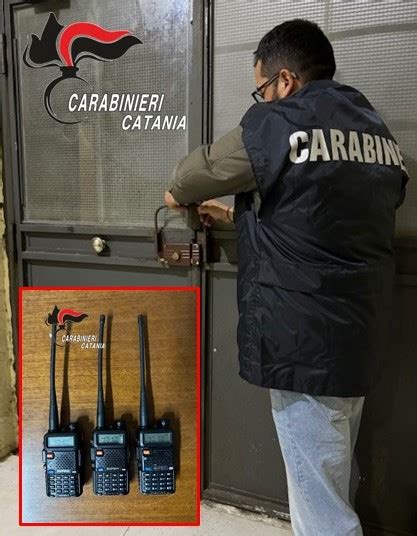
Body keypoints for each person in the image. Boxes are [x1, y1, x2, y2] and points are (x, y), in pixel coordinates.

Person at [164, 19, 409, 536]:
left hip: (303, 344)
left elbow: (189, 175)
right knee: (329, 475)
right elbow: (324, 219)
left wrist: (180, 198)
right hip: (358, 337)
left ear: (285, 80)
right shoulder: (374, 130)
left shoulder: (280, 122)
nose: (262, 99)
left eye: (261, 87)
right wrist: (237, 217)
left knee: (322, 513)